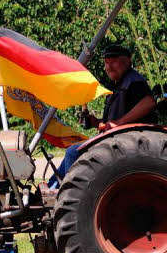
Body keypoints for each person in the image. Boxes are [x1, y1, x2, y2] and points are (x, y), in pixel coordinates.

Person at [51, 44, 157, 186]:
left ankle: (72, 192)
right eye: (106, 63)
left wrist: (119, 123)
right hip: (116, 137)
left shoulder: (134, 81)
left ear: (127, 62)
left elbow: (148, 103)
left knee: (72, 152)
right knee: (73, 150)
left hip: (127, 140)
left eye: (113, 61)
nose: (109, 66)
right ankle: (53, 186)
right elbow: (110, 123)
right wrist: (96, 121)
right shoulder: (118, 84)